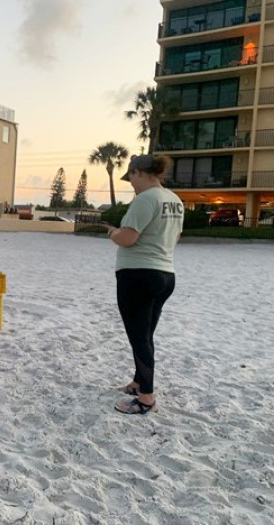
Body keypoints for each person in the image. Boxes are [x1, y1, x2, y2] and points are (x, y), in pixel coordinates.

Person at [104, 154, 184, 415]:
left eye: (131, 178)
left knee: (139, 337)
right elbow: (176, 237)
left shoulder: (146, 199)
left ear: (140, 172)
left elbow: (128, 238)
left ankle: (146, 397)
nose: (131, 184)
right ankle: (138, 382)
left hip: (138, 274)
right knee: (145, 334)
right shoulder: (174, 200)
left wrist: (113, 233)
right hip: (165, 274)